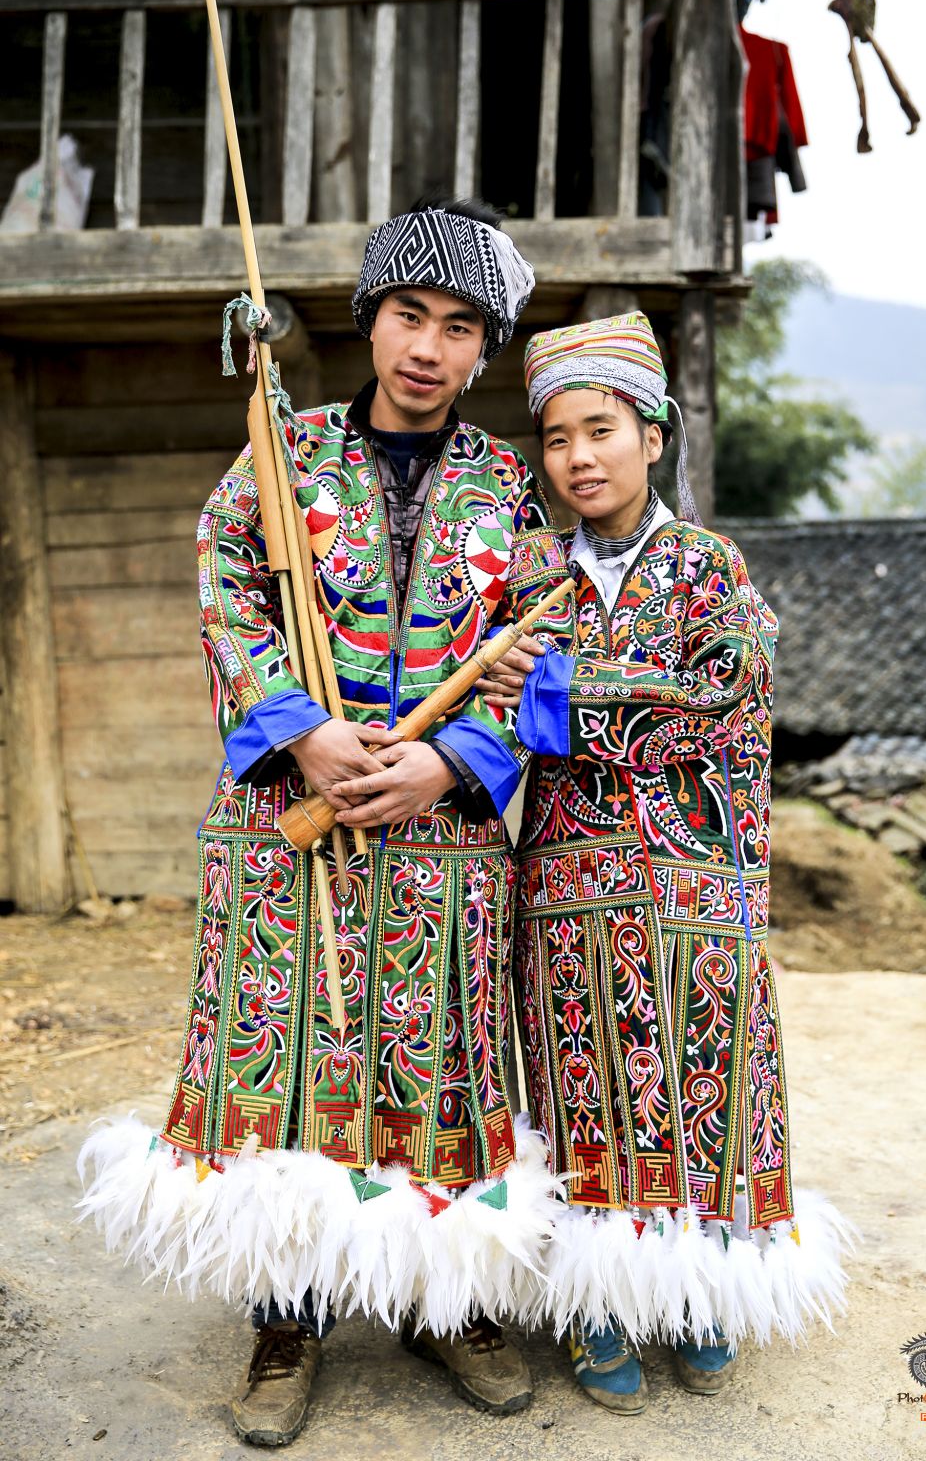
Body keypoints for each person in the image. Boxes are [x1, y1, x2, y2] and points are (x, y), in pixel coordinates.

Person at [77, 200, 574, 1446]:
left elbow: (540, 649)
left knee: (439, 1061)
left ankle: (441, 1299)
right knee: (290, 1065)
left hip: (441, 840)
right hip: (288, 825)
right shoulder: (278, 453)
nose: (428, 347)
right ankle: (286, 1312)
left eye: (459, 328)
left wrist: (450, 763)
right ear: (370, 319)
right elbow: (224, 593)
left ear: (484, 349)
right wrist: (302, 728)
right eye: (410, 314)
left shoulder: (508, 490)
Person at [478, 312, 852, 1414]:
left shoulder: (707, 567)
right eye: (556, 439)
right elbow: (489, 707)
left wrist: (554, 695)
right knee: (582, 1085)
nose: (578, 458)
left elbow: (719, 696)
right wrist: (532, 702)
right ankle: (600, 1301)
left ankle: (699, 1289)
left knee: (704, 1085)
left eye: (601, 431)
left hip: (696, 883)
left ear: (653, 435)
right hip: (563, 884)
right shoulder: (529, 578)